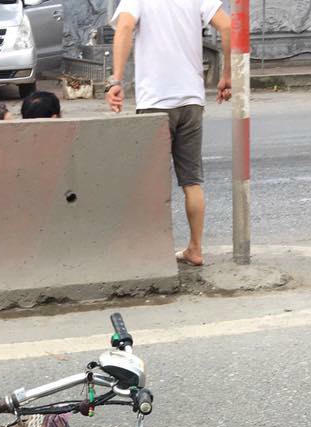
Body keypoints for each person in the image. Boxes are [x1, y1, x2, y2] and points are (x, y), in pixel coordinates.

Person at [107, 0, 233, 268]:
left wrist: (116, 80)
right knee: (192, 181)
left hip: (154, 100)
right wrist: (227, 75)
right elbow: (227, 26)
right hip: (191, 99)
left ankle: (154, 250)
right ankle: (195, 248)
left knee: (151, 182)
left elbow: (125, 26)